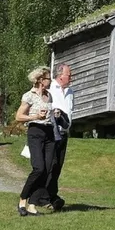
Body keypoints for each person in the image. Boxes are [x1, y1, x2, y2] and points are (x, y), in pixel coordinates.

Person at [14, 66, 57, 216]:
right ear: (40, 80)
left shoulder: (49, 96)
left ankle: (32, 204)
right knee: (38, 168)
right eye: (49, 78)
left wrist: (55, 113)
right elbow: (19, 116)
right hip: (35, 131)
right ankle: (22, 199)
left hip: (49, 132)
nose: (51, 81)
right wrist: (35, 117)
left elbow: (48, 114)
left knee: (47, 169)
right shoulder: (29, 96)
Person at [46, 63, 74, 210]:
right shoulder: (50, 88)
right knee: (51, 164)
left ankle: (52, 195)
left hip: (64, 133)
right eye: (69, 75)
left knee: (58, 166)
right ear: (60, 76)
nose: (71, 77)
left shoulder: (70, 91)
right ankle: (46, 197)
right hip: (52, 132)